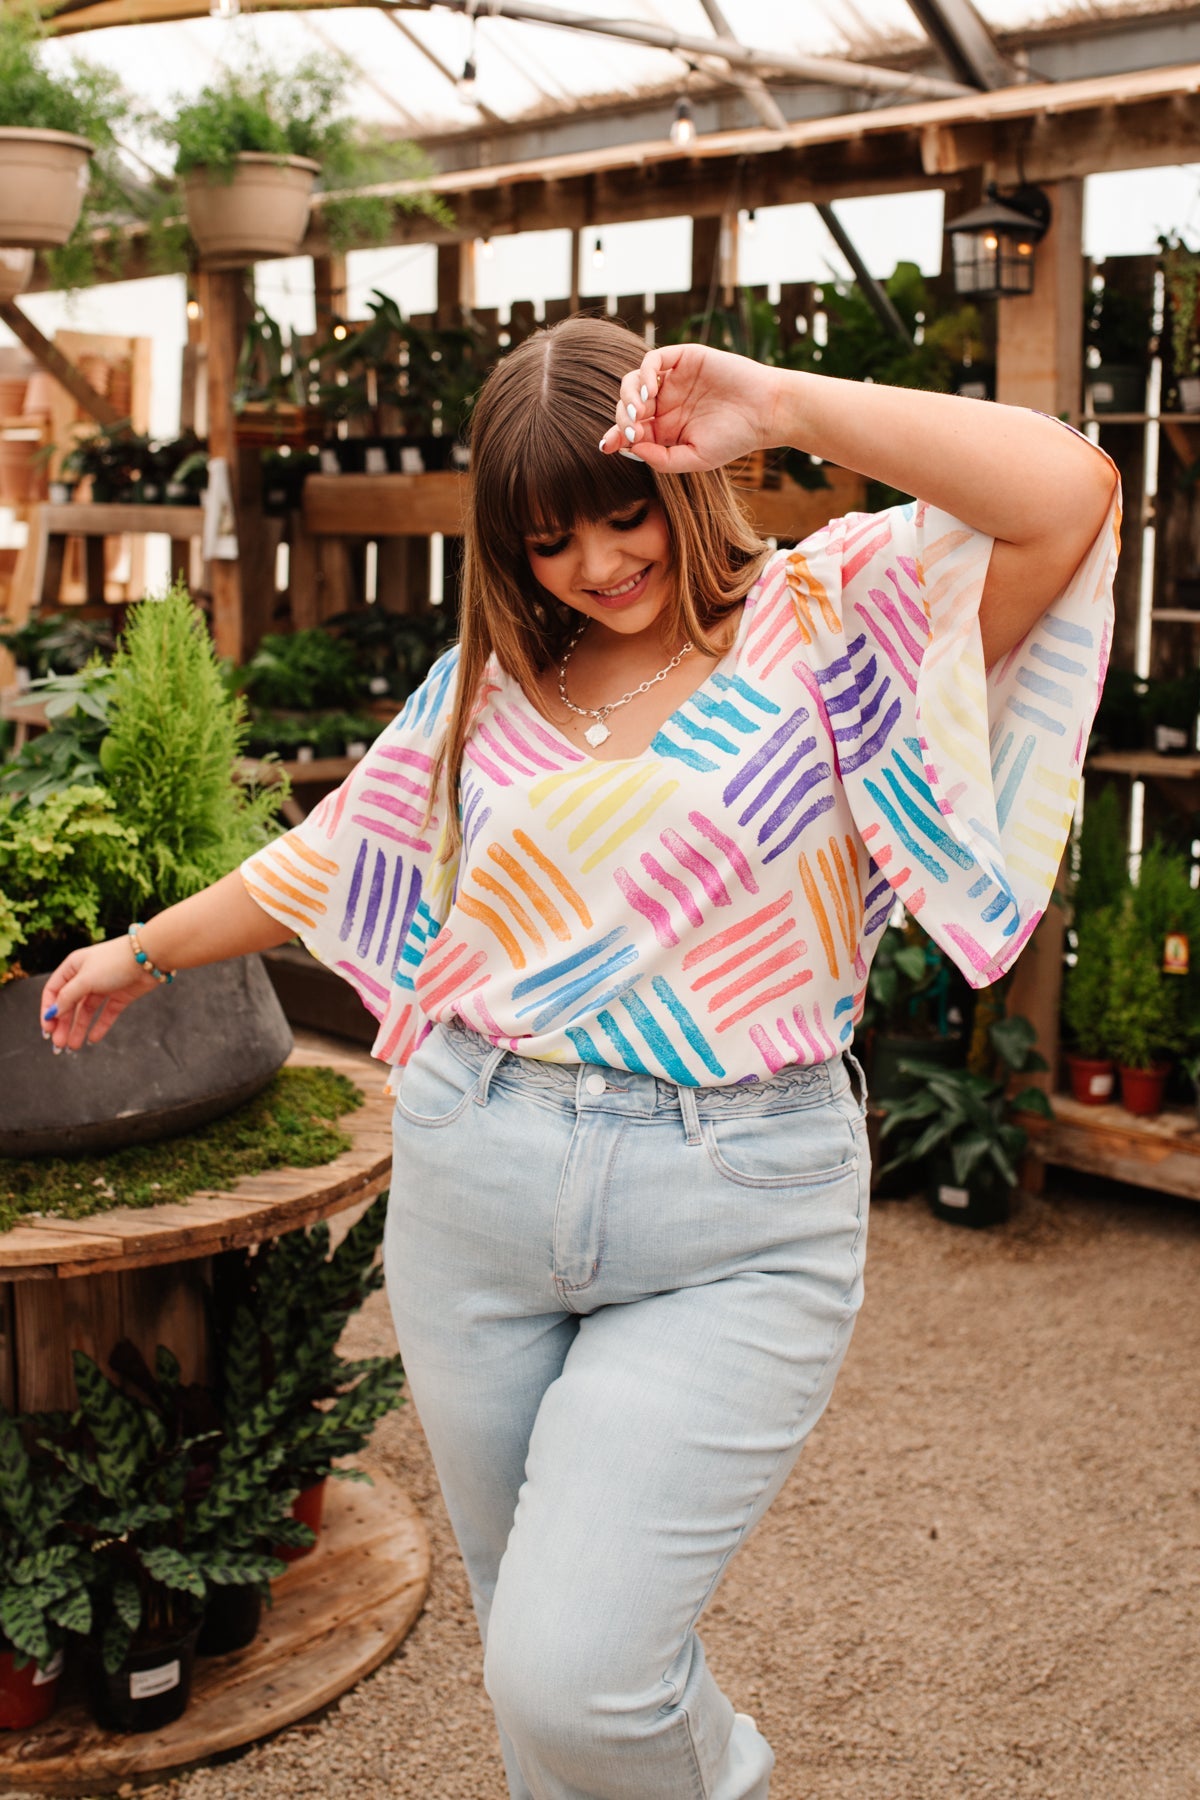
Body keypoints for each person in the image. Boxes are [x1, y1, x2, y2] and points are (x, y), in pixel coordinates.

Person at [41, 316, 1119, 1799]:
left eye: (623, 515)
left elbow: (1065, 490)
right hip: (473, 1179)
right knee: (528, 1664)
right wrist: (143, 951)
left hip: (736, 1203)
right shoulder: (485, 688)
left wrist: (776, 402)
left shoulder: (830, 620)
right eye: (550, 541)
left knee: (578, 1675)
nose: (599, 564)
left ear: (679, 479)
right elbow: (335, 854)